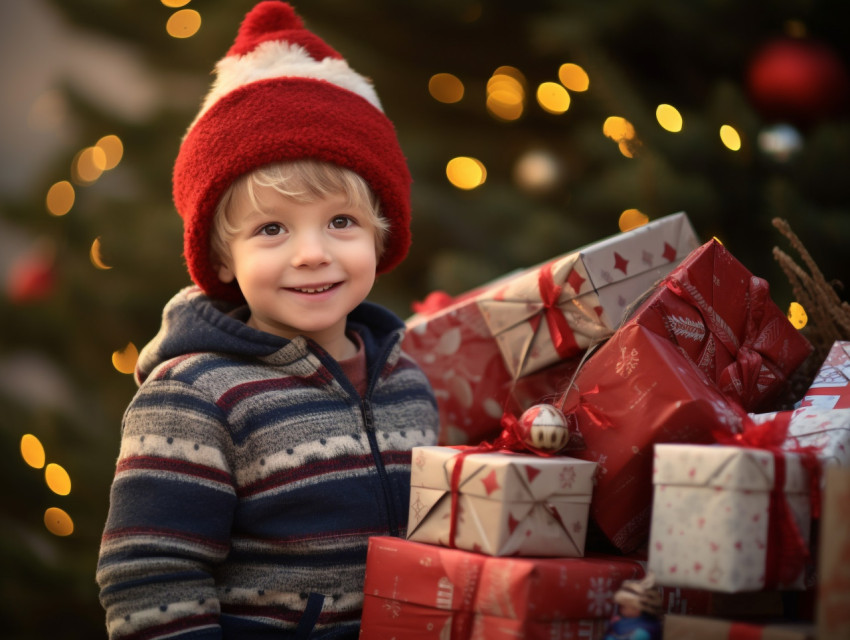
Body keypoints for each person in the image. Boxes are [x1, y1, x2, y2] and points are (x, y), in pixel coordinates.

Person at [96, 2, 439, 638]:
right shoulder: (196, 396)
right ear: (222, 259)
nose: (312, 252)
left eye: (341, 222)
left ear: (381, 234)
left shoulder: (408, 379)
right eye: (271, 229)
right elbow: (151, 577)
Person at [602, 573, 664, 640]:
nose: (621, 610)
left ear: (637, 608)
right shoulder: (619, 621)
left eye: (624, 607)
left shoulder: (643, 631)